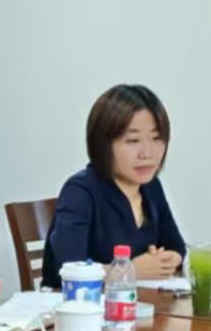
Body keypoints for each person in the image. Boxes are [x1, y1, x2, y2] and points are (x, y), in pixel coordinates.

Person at [41, 84, 187, 288]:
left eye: (156, 138)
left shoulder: (151, 186)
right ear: (103, 144)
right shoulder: (80, 192)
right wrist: (129, 270)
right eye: (133, 140)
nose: (147, 153)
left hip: (136, 302)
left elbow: (176, 246)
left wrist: (167, 260)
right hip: (79, 305)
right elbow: (69, 269)